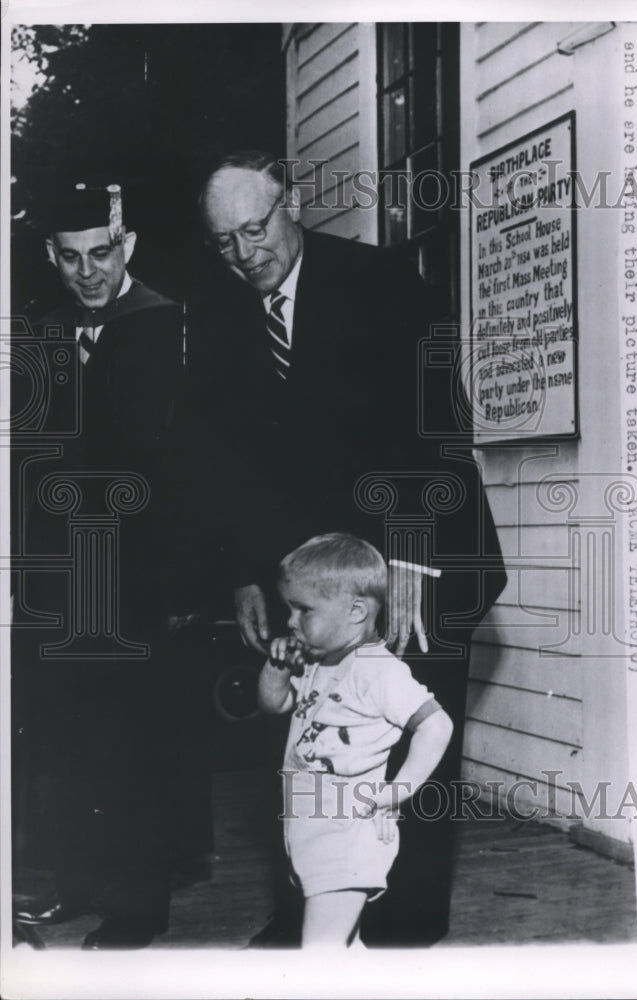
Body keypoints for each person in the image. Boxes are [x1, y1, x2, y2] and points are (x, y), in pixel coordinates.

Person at [182, 150, 507, 946]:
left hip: (418, 549)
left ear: (290, 203)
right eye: (223, 241)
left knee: (411, 734)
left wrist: (413, 554)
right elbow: (225, 462)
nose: (243, 253)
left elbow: (437, 423)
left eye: (254, 229)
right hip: (321, 578)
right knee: (317, 740)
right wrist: (245, 574)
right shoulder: (219, 317)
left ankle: (405, 928)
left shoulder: (382, 282)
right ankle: (322, 911)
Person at [12, 182, 204, 949]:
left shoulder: (169, 325)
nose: (87, 272)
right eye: (70, 258)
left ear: (127, 246)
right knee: (65, 734)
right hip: (61, 574)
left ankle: (138, 904)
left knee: (135, 740)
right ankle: (78, 883)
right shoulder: (41, 334)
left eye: (101, 253)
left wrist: (183, 579)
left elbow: (189, 467)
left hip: (139, 574)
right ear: (49, 256)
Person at [258, 534, 453, 948]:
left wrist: (397, 792)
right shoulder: (319, 660)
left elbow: (437, 726)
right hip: (309, 825)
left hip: (348, 833)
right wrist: (277, 669)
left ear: (357, 611)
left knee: (319, 953)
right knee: (342, 948)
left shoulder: (379, 671)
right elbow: (276, 704)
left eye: (303, 609)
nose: (290, 621)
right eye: (288, 608)